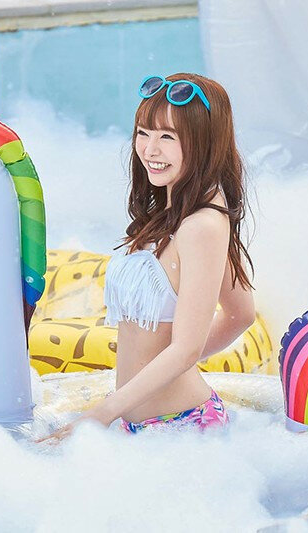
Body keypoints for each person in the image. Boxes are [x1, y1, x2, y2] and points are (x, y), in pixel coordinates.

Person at [37, 73, 255, 443]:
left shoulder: (202, 226)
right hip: (146, 426)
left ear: (205, 142)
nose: (149, 149)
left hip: (181, 429)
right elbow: (242, 313)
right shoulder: (181, 208)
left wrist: (101, 414)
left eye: (167, 137)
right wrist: (153, 375)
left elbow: (186, 348)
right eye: (143, 132)